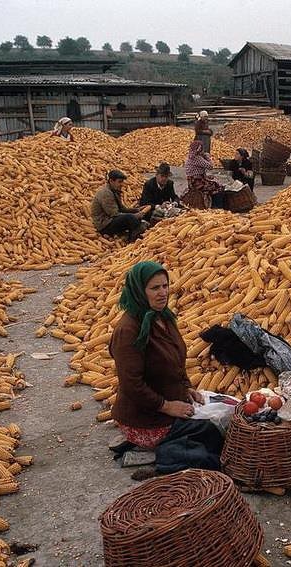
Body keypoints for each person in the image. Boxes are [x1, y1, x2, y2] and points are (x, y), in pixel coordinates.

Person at [109, 262, 221, 472]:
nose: (163, 293)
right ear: (139, 290)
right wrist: (167, 406)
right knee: (210, 436)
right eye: (154, 288)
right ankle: (156, 454)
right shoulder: (128, 330)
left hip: (168, 402)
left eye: (165, 286)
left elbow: (175, 361)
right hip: (146, 417)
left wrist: (186, 388)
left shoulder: (163, 317)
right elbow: (132, 385)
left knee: (220, 425)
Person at [91, 170, 151, 243]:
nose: (122, 184)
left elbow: (122, 209)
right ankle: (133, 240)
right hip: (104, 225)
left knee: (137, 216)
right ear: (111, 181)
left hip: (111, 219)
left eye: (122, 182)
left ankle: (136, 232)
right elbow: (114, 214)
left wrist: (137, 210)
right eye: (119, 182)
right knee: (130, 218)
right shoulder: (106, 194)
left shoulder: (114, 190)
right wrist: (134, 215)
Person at [184, 140, 226, 209]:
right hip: (197, 183)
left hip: (193, 181)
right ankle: (217, 207)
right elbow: (210, 166)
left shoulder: (190, 157)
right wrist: (207, 157)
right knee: (219, 186)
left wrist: (207, 176)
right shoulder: (197, 158)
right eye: (202, 149)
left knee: (214, 183)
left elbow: (197, 172)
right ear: (199, 150)